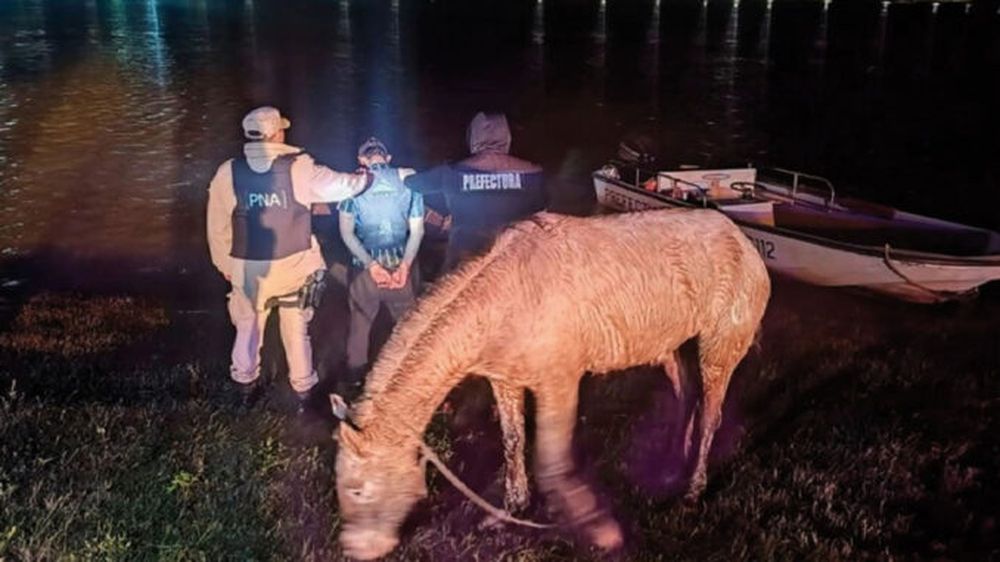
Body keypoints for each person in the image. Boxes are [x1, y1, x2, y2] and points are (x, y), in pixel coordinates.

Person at [206, 106, 372, 412]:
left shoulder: (227, 171)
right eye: (281, 128)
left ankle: (244, 389)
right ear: (275, 133)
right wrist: (367, 177)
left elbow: (216, 226)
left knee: (247, 329)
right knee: (296, 331)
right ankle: (303, 395)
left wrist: (226, 267)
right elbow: (343, 186)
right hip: (295, 270)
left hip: (248, 272)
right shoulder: (299, 167)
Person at [404, 111, 546, 273]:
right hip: (516, 266)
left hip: (464, 267)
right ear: (506, 137)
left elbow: (410, 184)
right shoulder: (534, 173)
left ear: (474, 136)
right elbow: (544, 217)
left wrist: (437, 222)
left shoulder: (451, 172)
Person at [338, 137, 424, 389]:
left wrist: (371, 265)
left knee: (360, 325)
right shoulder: (408, 179)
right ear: (387, 158)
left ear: (362, 160)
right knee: (408, 327)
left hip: (366, 273)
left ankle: (355, 381)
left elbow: (347, 233)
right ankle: (412, 381)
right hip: (401, 267)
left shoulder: (352, 184)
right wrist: (405, 267)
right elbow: (417, 231)